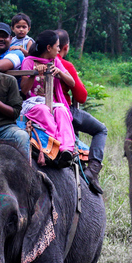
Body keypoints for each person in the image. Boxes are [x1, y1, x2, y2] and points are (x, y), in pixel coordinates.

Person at [55, 29, 108, 194]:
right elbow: (82, 96)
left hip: (32, 110)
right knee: (101, 129)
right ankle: (92, 171)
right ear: (66, 47)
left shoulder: (31, 61)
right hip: (63, 111)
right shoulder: (64, 65)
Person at [20, 30, 78, 159]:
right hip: (33, 103)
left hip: (52, 102)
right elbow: (24, 90)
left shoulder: (56, 62)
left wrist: (60, 73)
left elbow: (72, 82)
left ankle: (67, 149)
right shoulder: (29, 62)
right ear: (48, 48)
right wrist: (34, 74)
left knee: (62, 110)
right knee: (43, 110)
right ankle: (54, 146)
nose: (58, 49)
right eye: (57, 46)